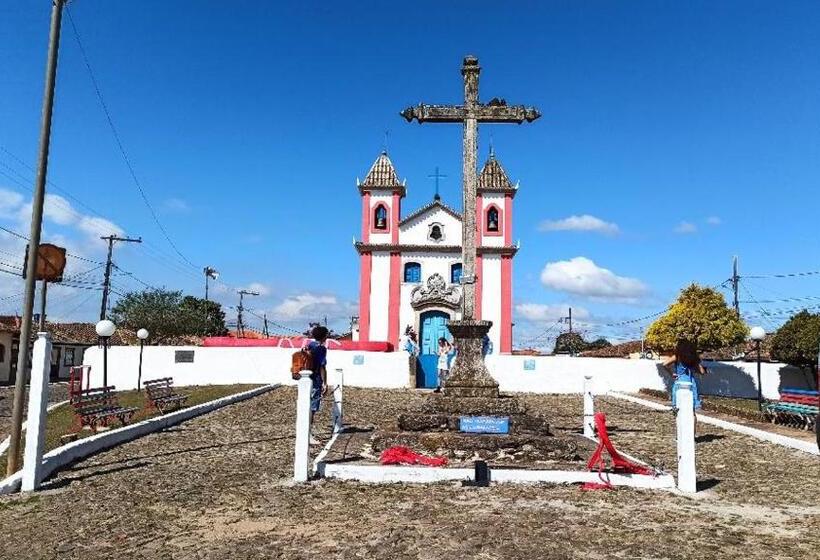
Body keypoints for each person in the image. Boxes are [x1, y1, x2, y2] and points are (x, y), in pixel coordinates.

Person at [662, 339, 706, 409]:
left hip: (679, 383)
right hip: (691, 384)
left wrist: (672, 374)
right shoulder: (693, 358)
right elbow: (702, 372)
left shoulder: (677, 357)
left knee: (678, 409)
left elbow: (664, 364)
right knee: (692, 411)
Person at [306, 325, 329, 444]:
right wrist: (325, 383)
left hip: (305, 379)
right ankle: (308, 435)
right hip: (315, 381)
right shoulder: (321, 348)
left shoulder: (309, 345)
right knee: (312, 409)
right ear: (324, 336)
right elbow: (322, 366)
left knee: (306, 407)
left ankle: (306, 433)